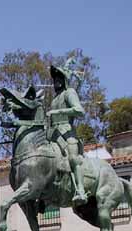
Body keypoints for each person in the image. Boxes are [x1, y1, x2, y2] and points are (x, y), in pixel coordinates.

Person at [47, 59, 88, 205]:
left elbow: (79, 110)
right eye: (54, 78)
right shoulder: (55, 99)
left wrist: (58, 111)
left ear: (64, 79)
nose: (56, 81)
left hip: (67, 132)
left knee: (72, 159)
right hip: (53, 134)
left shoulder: (69, 92)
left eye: (59, 78)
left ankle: (81, 190)